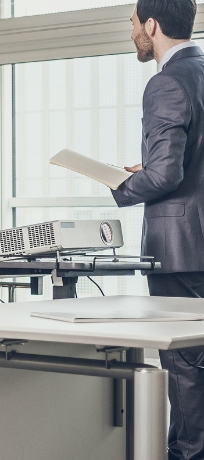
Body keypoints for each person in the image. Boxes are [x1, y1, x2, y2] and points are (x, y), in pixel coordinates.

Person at [114, 2, 202, 458]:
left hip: (182, 248)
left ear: (151, 24)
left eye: (133, 23)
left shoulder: (165, 81)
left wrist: (124, 184)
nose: (132, 32)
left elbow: (166, 175)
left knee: (185, 366)